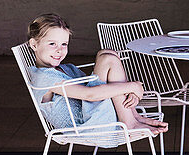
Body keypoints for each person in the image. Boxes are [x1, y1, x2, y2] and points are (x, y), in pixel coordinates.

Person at [27, 13, 168, 138]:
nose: (59, 50)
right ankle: (129, 122)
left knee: (107, 53)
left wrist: (128, 89)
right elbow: (90, 95)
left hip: (94, 117)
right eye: (52, 44)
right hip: (87, 127)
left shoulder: (65, 68)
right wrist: (132, 86)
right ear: (34, 45)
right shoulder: (44, 78)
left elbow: (97, 84)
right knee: (108, 59)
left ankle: (132, 116)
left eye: (64, 44)